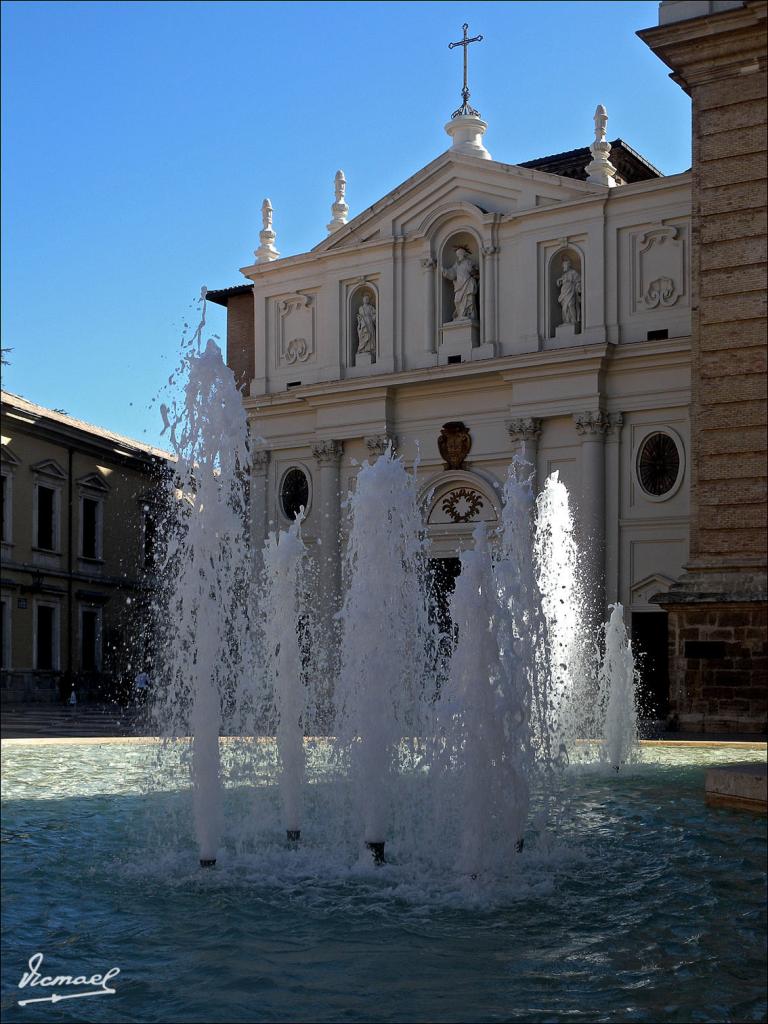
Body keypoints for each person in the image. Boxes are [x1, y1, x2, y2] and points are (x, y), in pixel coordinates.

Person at [442, 247, 479, 320]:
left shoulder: (468, 262)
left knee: (468, 299)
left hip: (467, 283)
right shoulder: (456, 265)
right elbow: (452, 274)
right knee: (457, 301)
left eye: (460, 253)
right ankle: (460, 315)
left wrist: (473, 270)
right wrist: (444, 271)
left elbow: (473, 271)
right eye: (458, 254)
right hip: (459, 286)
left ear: (464, 254)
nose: (459, 255)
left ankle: (468, 314)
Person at [556, 257, 582, 326]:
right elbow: (559, 283)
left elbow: (579, 281)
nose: (563, 267)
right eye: (563, 265)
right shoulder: (563, 275)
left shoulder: (574, 273)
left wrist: (578, 287)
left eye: (564, 265)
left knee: (570, 304)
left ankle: (574, 320)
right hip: (564, 292)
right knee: (564, 307)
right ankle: (566, 321)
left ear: (568, 265)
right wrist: (559, 281)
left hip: (571, 291)